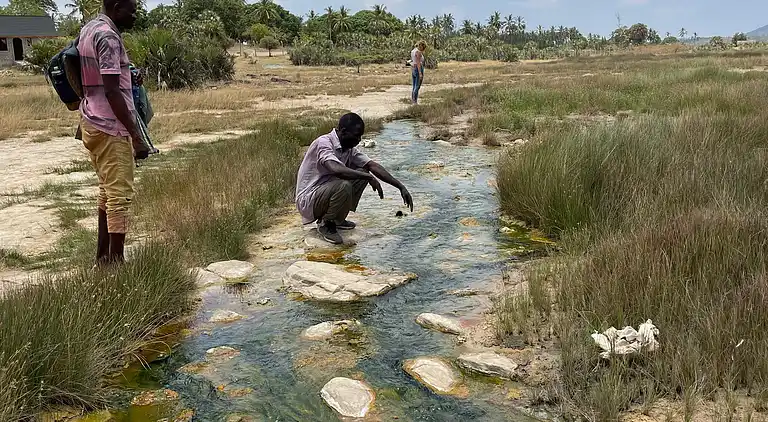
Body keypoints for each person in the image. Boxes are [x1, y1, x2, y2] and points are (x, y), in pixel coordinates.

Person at [78, 0, 149, 265]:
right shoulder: (108, 36)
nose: (135, 15)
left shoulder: (90, 29)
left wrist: (128, 74)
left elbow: (101, 75)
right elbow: (111, 90)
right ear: (117, 8)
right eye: (132, 11)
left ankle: (103, 259)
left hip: (91, 119)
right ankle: (116, 263)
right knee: (119, 194)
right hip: (111, 126)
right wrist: (136, 135)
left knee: (107, 190)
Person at [296, 113, 414, 245]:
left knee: (362, 171)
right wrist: (368, 176)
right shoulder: (324, 143)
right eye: (357, 135)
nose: (359, 139)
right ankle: (326, 224)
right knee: (345, 184)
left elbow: (371, 165)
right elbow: (335, 168)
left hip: (326, 192)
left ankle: (337, 220)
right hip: (308, 200)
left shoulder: (348, 149)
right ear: (344, 131)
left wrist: (400, 186)